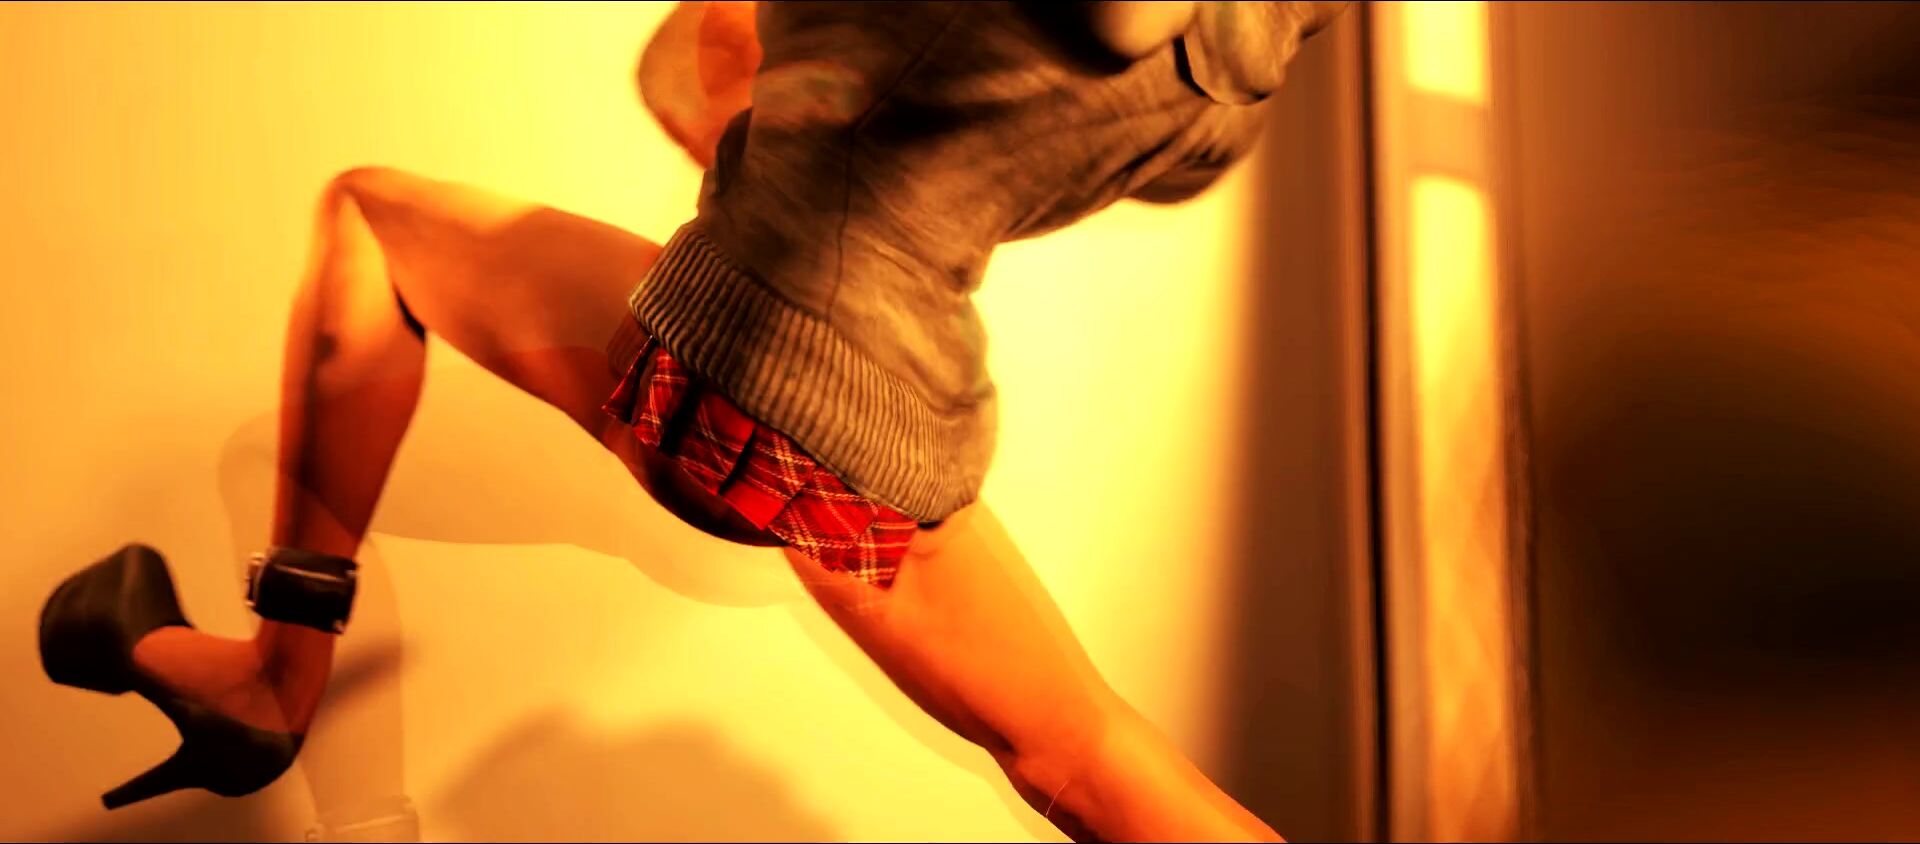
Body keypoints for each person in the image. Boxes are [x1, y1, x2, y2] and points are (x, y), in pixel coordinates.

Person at [37, 2, 1347, 841]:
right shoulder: (1231, 73)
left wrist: (763, 121)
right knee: (1089, 753)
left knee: (371, 223)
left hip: (729, 360)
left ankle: (274, 684)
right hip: (897, 438)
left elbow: (701, 64)